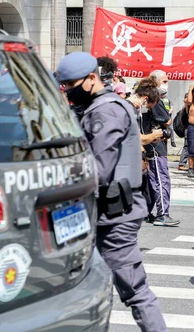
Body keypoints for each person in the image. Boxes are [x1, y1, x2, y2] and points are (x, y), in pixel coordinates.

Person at [56, 52, 167, 332]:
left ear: (91, 78)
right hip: (103, 213)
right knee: (94, 289)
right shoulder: (100, 105)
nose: (68, 90)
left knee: (134, 290)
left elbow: (98, 168)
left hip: (114, 216)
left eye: (71, 84)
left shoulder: (105, 110)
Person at [143, 70, 179, 227]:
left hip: (150, 145)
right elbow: (167, 120)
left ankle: (147, 212)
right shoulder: (154, 99)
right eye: (164, 81)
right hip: (155, 145)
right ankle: (163, 214)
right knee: (161, 179)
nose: (166, 84)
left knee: (152, 181)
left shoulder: (148, 98)